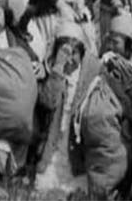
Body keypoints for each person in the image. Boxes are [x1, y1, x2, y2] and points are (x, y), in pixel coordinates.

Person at [35, 21, 103, 197]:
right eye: (64, 53)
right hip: (52, 145)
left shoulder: (91, 75)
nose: (69, 59)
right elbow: (48, 101)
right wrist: (58, 69)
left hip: (76, 150)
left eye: (74, 54)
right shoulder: (50, 70)